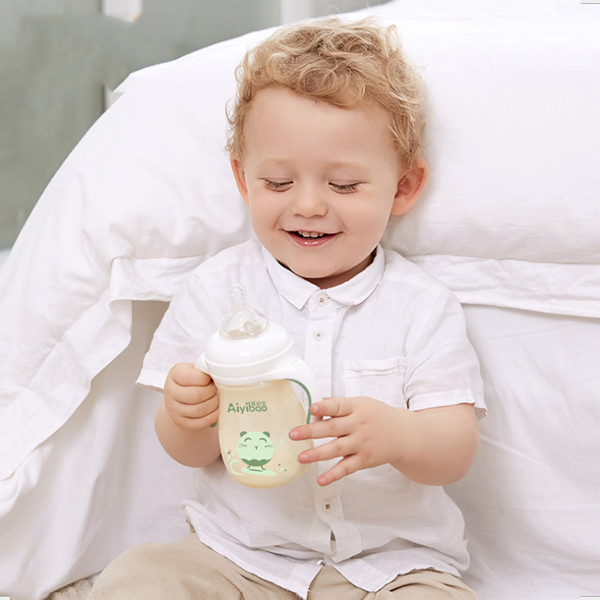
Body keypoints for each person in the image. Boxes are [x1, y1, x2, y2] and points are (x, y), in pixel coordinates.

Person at [89, 16, 486, 599]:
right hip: (238, 558)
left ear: (403, 187)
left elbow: (456, 450)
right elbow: (187, 451)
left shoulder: (422, 306)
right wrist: (186, 416)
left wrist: (401, 435)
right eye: (277, 182)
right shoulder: (216, 290)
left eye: (343, 185)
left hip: (389, 568)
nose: (308, 206)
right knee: (138, 578)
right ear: (243, 180)